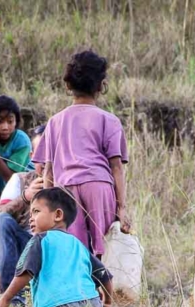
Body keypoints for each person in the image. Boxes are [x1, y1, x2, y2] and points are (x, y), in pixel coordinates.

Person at [33, 49, 130, 257]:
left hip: (65, 189)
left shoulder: (55, 121)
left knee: (72, 251)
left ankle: (79, 288)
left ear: (68, 85)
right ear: (100, 85)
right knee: (103, 249)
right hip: (98, 186)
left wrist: (49, 206)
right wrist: (122, 207)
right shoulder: (109, 120)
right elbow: (116, 167)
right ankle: (101, 288)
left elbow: (48, 172)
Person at [0, 125, 46, 299]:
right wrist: (26, 196)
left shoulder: (69, 182)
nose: (46, 161)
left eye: (51, 152)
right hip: (25, 247)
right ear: (32, 156)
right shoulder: (20, 179)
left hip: (55, 249)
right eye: (40, 154)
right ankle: (13, 297)